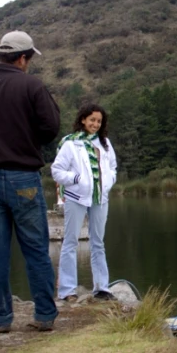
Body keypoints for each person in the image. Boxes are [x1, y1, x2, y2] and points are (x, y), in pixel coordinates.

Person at [0, 30, 61, 333]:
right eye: (29, 59)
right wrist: (25, 138)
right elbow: (50, 128)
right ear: (22, 58)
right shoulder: (31, 85)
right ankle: (44, 315)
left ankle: (0, 319)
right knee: (35, 249)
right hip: (24, 177)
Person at [51, 103, 118, 302]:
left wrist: (108, 182)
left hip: (100, 198)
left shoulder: (104, 143)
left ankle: (101, 287)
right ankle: (67, 290)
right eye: (92, 120)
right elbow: (57, 170)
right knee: (70, 242)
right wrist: (76, 179)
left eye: (99, 121)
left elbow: (112, 166)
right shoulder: (70, 144)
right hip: (76, 197)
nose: (95, 124)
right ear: (83, 120)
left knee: (98, 242)